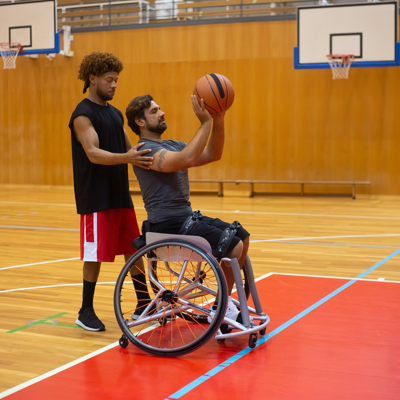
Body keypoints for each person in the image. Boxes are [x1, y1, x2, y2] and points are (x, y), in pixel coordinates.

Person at [125, 94, 250, 321]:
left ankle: (223, 302)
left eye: (159, 108)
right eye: (154, 111)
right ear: (140, 122)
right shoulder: (144, 151)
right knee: (233, 246)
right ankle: (223, 307)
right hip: (166, 225)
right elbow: (185, 159)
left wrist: (218, 119)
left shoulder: (173, 145)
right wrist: (205, 123)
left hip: (186, 219)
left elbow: (213, 154)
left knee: (242, 236)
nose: (162, 113)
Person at [69, 52, 154, 332]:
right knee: (94, 254)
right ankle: (85, 310)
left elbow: (133, 150)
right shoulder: (83, 114)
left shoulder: (116, 114)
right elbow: (93, 153)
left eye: (117, 80)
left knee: (134, 249)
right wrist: (128, 158)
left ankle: (144, 303)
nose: (115, 85)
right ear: (92, 78)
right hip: (95, 197)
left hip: (119, 195)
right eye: (109, 79)